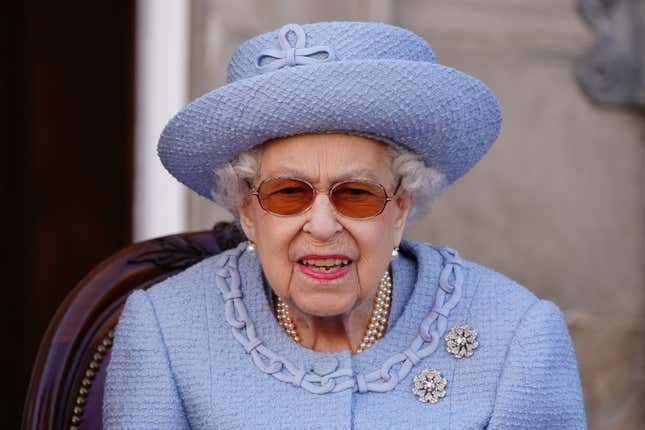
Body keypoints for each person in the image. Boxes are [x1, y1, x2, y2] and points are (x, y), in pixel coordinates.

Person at [103, 22, 586, 429]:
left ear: (400, 208)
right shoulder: (164, 330)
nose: (321, 225)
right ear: (248, 213)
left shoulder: (518, 337)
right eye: (287, 193)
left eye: (356, 194)